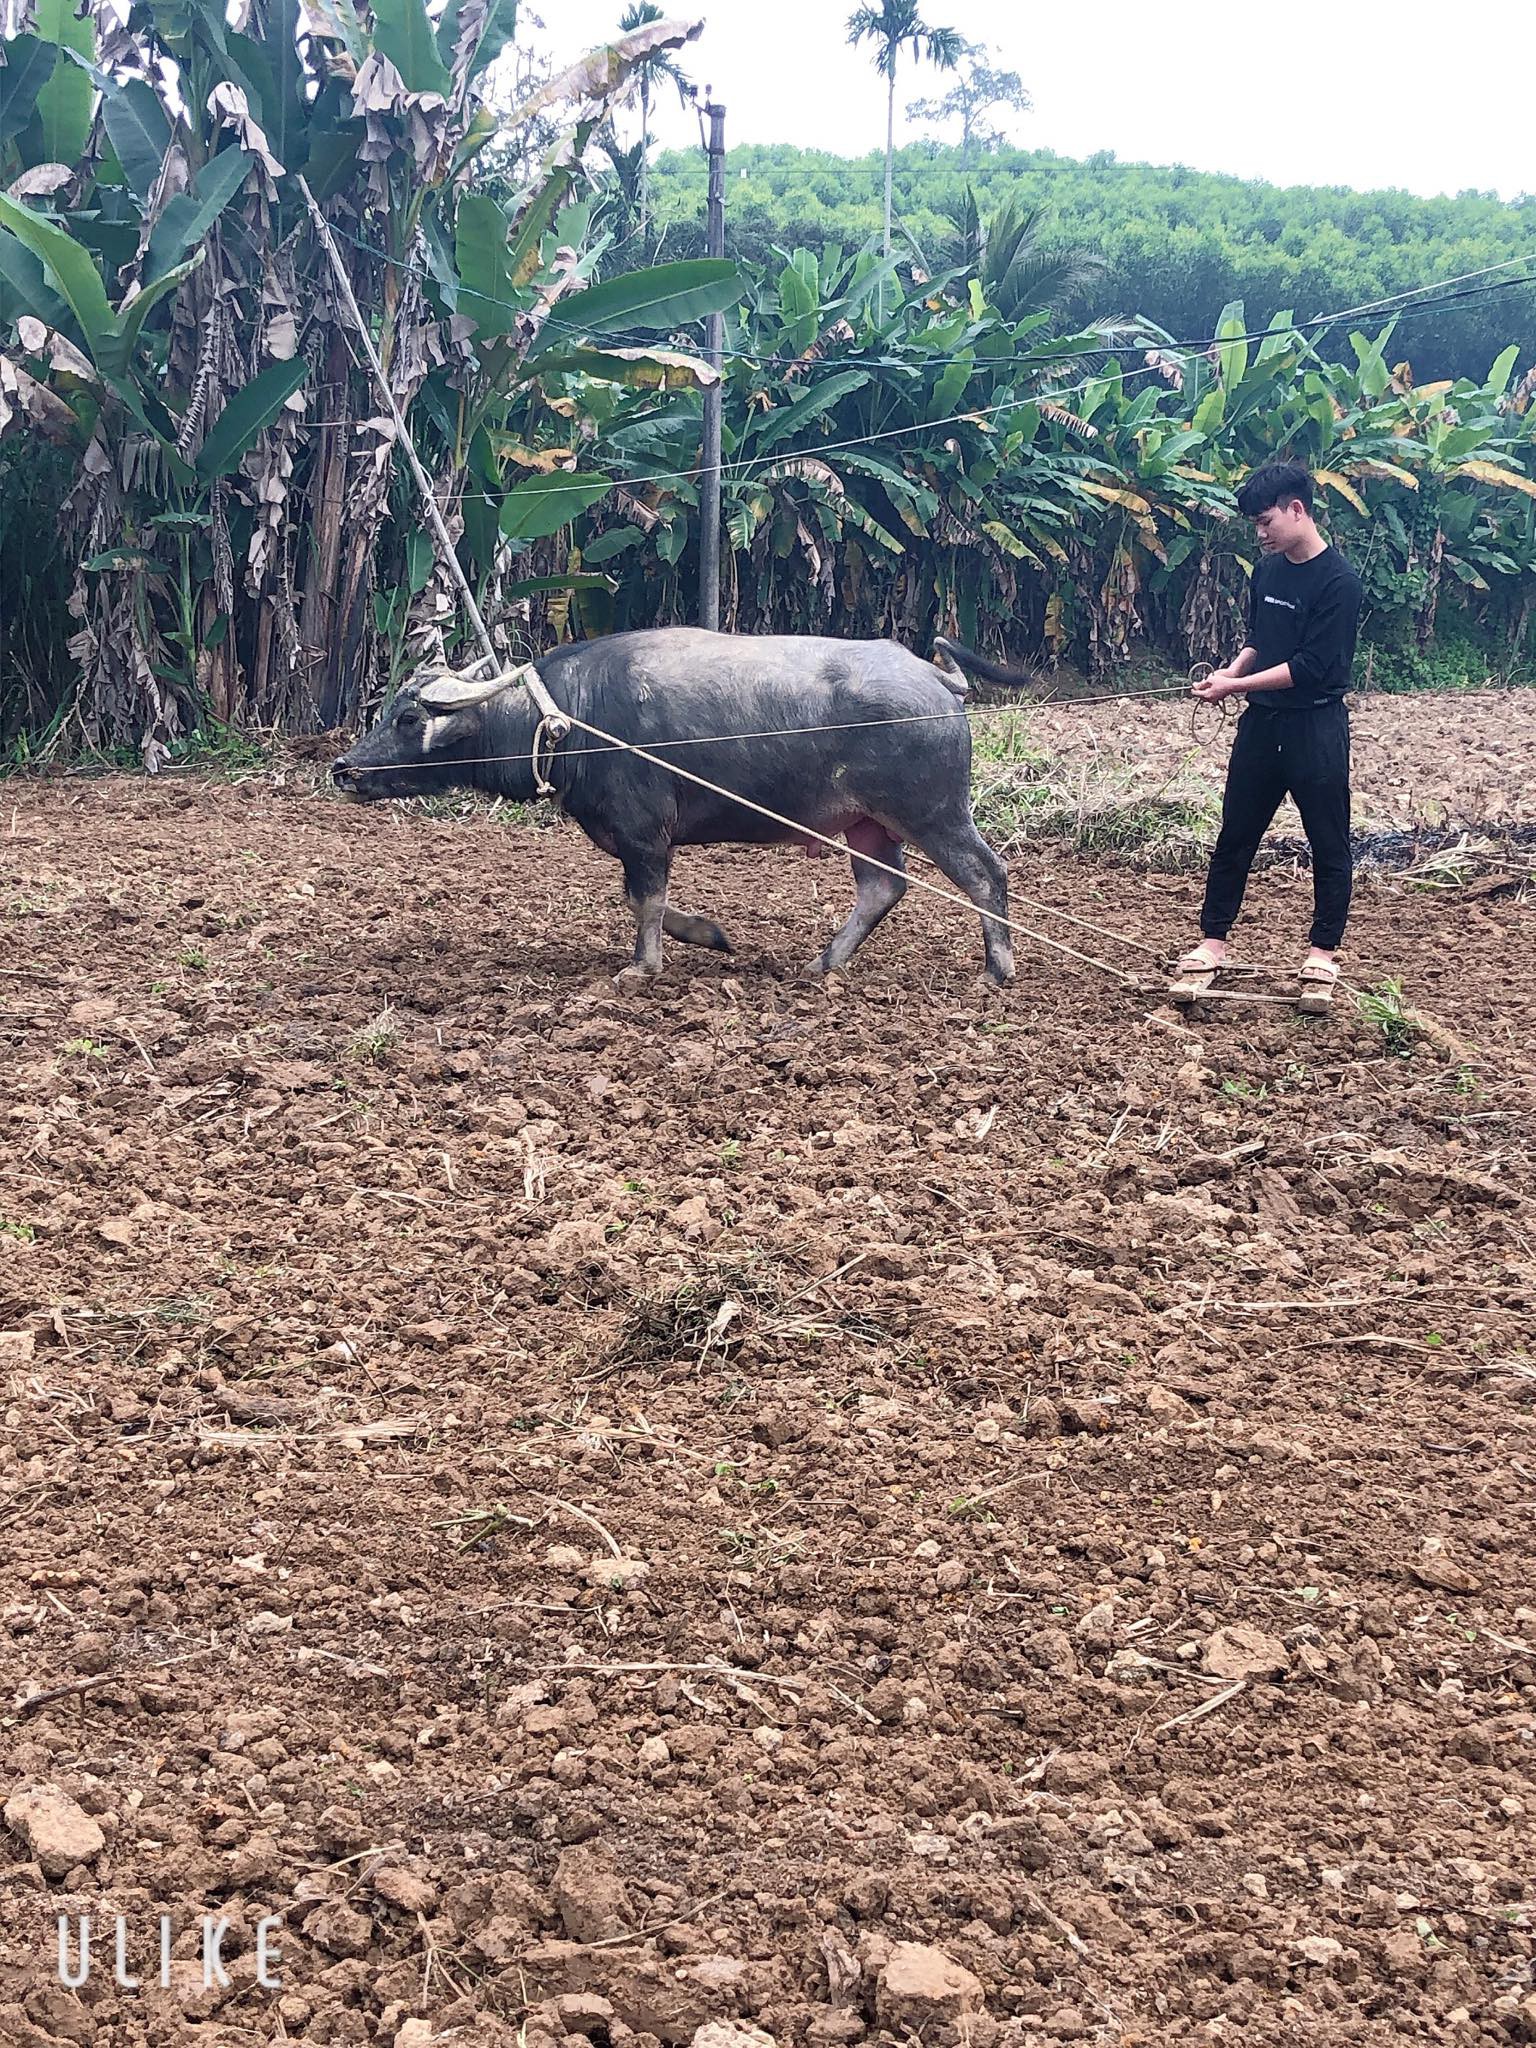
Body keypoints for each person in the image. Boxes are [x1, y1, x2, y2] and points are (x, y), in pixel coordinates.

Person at [1178, 460, 1364, 997]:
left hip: (1315, 727)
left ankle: (1321, 954)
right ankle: (1212, 941)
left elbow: (1311, 667)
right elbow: (1260, 637)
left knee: (1328, 842)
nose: (1260, 535)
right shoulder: (1269, 570)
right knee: (1236, 833)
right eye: (1255, 526)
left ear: (1297, 510)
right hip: (1262, 725)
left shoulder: (1339, 583)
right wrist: (1232, 671)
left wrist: (1236, 688)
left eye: (1265, 522)